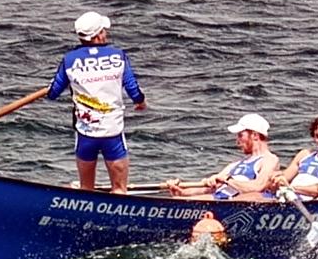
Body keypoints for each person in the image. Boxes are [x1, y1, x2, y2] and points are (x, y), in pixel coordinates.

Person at [47, 11, 147, 193]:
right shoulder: (118, 56)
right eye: (103, 30)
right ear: (99, 35)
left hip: (86, 134)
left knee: (86, 189)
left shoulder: (69, 60)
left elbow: (53, 93)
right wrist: (141, 102)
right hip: (112, 133)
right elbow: (133, 89)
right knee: (119, 189)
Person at [163, 113, 277, 200]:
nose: (237, 142)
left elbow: (258, 186)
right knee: (178, 198)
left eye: (240, 135)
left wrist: (227, 180)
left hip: (234, 203)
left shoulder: (269, 160)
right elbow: (208, 188)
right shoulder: (235, 165)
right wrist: (181, 191)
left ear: (255, 135)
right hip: (216, 200)